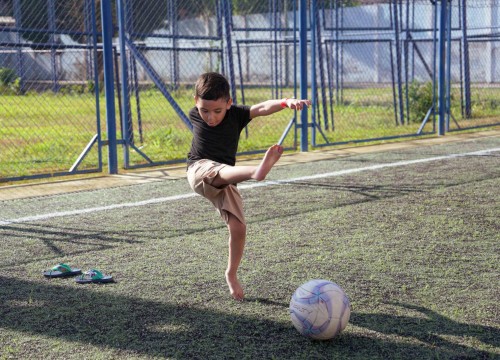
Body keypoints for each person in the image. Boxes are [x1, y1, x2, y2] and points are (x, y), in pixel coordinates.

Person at [187, 72, 311, 300]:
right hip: (200, 170)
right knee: (222, 171)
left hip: (226, 179)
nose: (210, 117)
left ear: (229, 103)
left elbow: (262, 107)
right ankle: (255, 172)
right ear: (196, 102)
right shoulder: (195, 114)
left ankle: (231, 274)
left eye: (217, 111)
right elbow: (206, 115)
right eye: (205, 110)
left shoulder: (236, 115)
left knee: (238, 228)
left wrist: (286, 102)